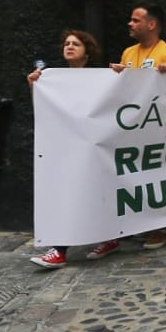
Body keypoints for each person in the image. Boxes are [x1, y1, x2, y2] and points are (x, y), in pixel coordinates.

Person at [28, 30, 120, 268]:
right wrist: (35, 87)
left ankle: (109, 238)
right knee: (67, 194)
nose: (69, 47)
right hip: (66, 149)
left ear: (87, 52)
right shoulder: (53, 80)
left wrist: (123, 77)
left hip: (93, 147)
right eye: (66, 44)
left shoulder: (100, 78)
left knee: (93, 193)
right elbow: (45, 109)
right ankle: (60, 249)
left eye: (75, 44)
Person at [110, 3, 166, 248]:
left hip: (156, 131)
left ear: (152, 25)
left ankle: (158, 228)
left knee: (155, 178)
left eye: (135, 20)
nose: (130, 24)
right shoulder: (128, 53)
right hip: (132, 128)